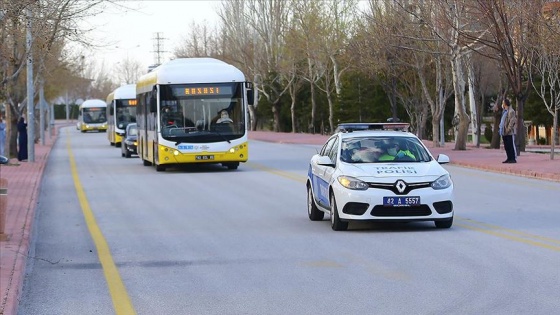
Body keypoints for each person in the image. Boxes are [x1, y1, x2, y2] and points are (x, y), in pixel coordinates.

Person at [499, 98, 517, 163]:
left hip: (509, 132)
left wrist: (508, 130)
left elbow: (511, 122)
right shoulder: (504, 111)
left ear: (505, 104)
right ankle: (508, 158)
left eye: (503, 103)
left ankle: (512, 158)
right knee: (506, 146)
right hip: (504, 132)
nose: (502, 104)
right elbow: (502, 121)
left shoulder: (511, 111)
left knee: (510, 145)